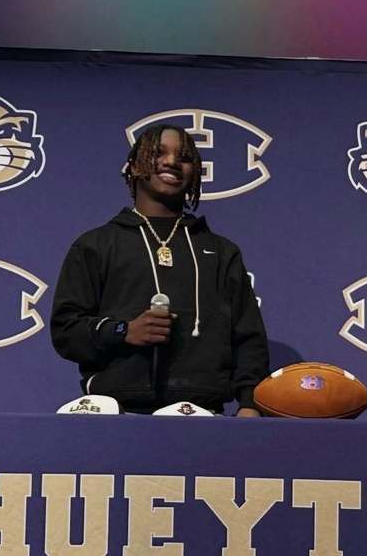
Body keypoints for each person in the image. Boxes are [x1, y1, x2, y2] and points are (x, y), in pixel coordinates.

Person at [51, 124, 268, 415]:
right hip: (115, 413)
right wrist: (123, 330)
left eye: (185, 157)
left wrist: (249, 403)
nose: (171, 162)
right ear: (132, 166)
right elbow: (66, 331)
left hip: (201, 412)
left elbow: (248, 336)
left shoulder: (221, 252)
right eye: (158, 153)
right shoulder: (96, 245)